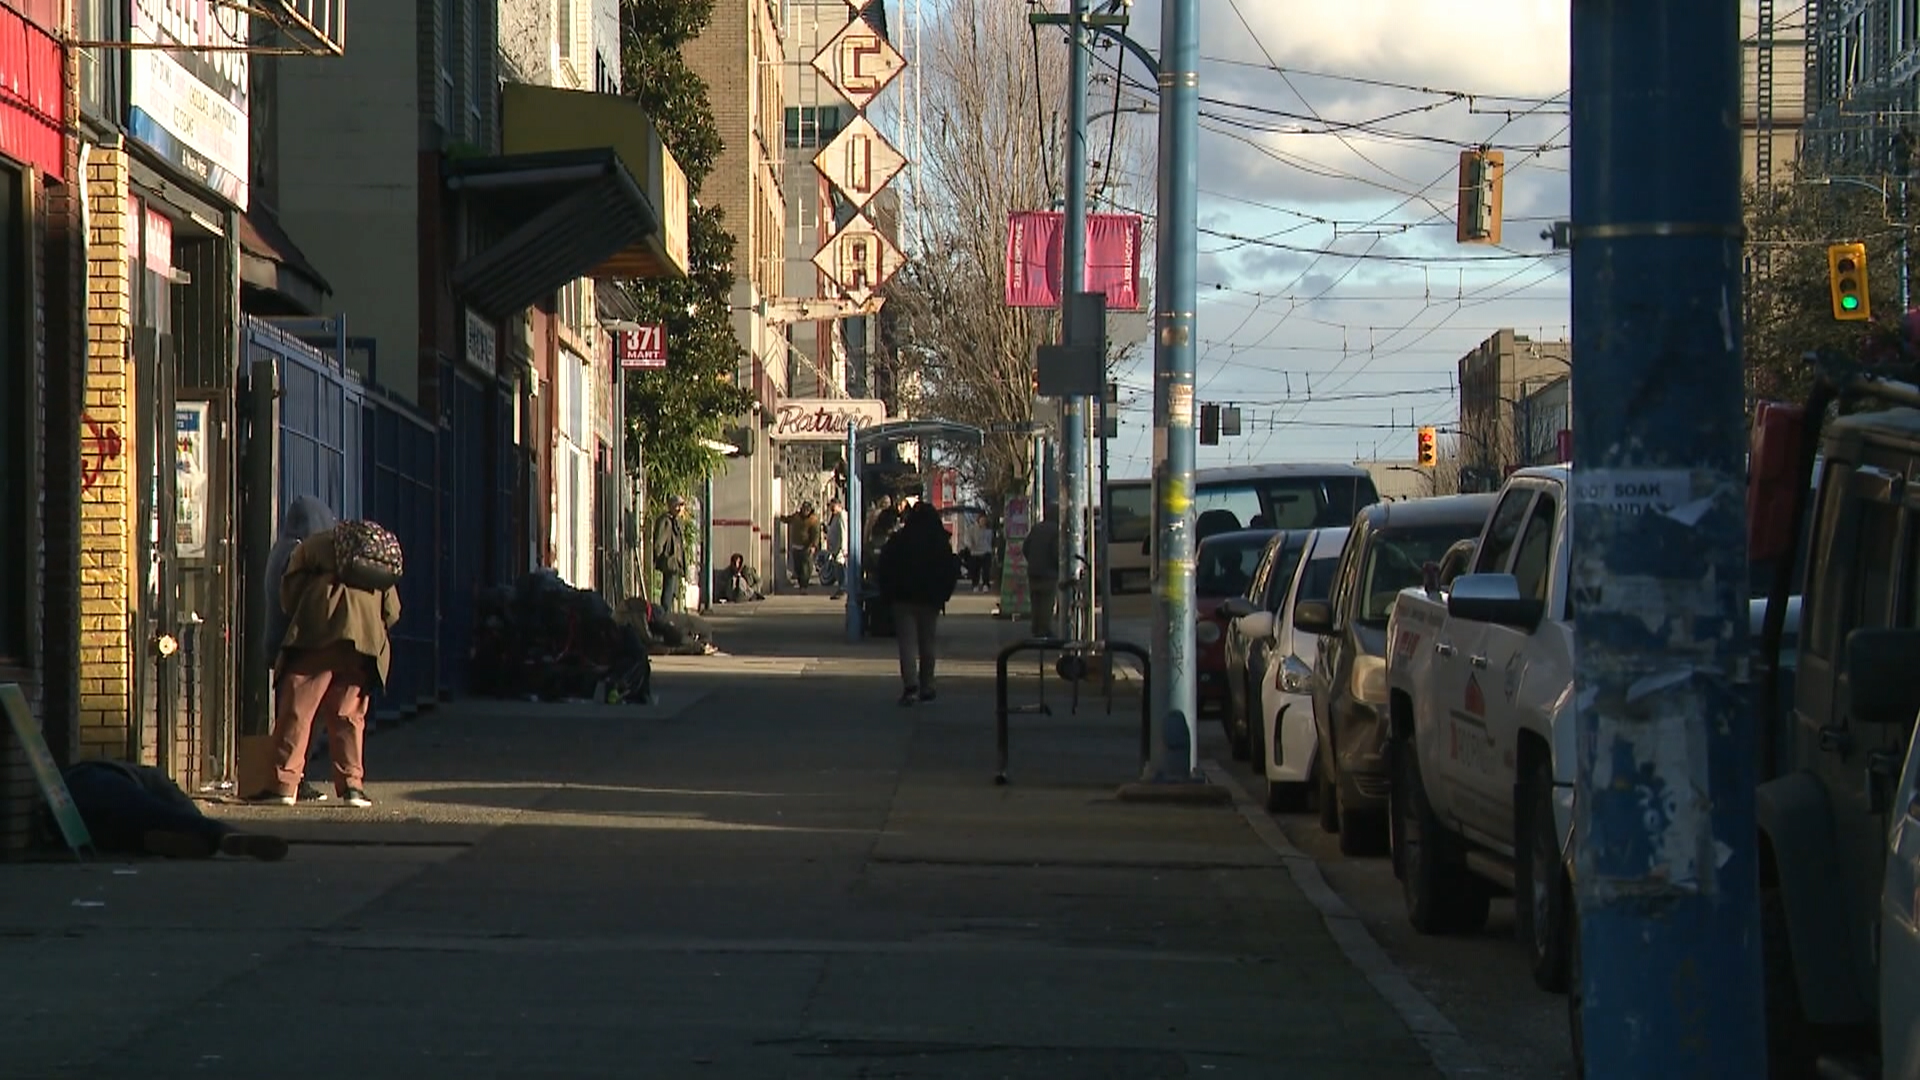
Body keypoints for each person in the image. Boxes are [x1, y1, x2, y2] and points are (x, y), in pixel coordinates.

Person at [248, 523, 402, 808]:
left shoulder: (313, 546)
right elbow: (393, 611)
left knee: (298, 709)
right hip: (364, 642)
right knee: (349, 713)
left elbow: (289, 595)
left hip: (317, 634)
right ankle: (353, 788)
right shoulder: (373, 551)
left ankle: (284, 784)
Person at [264, 496, 339, 804]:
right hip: (297, 645)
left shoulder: (280, 549)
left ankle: (290, 779)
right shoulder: (299, 554)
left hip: (279, 641)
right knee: (300, 717)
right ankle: (292, 780)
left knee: (291, 714)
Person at [61, 759, 288, 861]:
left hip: (69, 802)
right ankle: (221, 834)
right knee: (160, 815)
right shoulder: (157, 778)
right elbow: (183, 813)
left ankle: (149, 841)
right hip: (95, 784)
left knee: (123, 831)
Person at [876, 502, 962, 706]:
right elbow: (949, 570)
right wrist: (943, 595)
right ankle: (928, 685)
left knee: (906, 643)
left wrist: (888, 594)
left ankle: (910, 684)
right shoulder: (940, 542)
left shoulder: (899, 540)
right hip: (930, 600)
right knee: (927, 643)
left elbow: (885, 567)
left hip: (902, 599)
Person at [1022, 504, 1061, 638]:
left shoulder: (1036, 528)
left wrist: (1032, 560)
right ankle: (1044, 629)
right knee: (1046, 602)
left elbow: (1025, 547)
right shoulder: (1056, 531)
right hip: (1049, 572)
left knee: (1035, 600)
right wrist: (1058, 566)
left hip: (1033, 570)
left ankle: (1035, 627)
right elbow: (1056, 551)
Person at [653, 495, 689, 613]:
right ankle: (664, 616)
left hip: (675, 563)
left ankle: (667, 616)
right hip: (670, 561)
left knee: (672, 592)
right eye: (677, 505)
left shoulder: (675, 521)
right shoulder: (666, 521)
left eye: (681, 506)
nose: (679, 509)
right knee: (668, 593)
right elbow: (659, 541)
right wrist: (658, 556)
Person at [824, 498, 848, 599]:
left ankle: (843, 588)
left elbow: (844, 531)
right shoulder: (835, 516)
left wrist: (843, 548)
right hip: (835, 548)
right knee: (837, 569)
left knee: (840, 568)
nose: (831, 509)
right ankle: (841, 587)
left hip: (839, 549)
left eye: (833, 507)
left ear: (838, 505)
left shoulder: (842, 516)